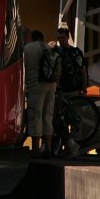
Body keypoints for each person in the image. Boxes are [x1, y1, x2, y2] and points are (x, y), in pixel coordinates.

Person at [53, 27, 88, 157]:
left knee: (75, 119)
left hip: (74, 90)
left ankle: (74, 147)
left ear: (68, 37)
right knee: (59, 120)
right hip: (60, 90)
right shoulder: (55, 51)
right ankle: (64, 145)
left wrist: (84, 89)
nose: (60, 40)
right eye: (59, 38)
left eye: (62, 37)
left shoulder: (75, 52)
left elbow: (82, 70)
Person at [24, 30, 57, 158]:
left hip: (35, 87)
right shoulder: (49, 48)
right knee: (48, 116)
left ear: (32, 38)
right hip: (51, 85)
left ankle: (35, 148)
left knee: (35, 116)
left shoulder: (28, 49)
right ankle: (48, 148)